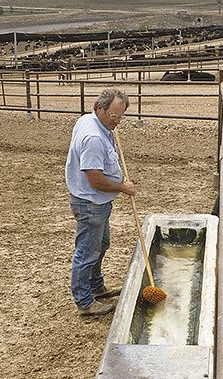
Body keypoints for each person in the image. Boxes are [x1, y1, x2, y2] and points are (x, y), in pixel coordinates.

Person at [65, 88, 135, 316]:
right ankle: (85, 302)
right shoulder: (94, 138)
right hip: (91, 202)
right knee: (87, 251)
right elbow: (95, 179)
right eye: (113, 116)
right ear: (99, 108)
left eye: (120, 117)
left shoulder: (91, 121)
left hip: (96, 202)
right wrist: (122, 187)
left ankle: (96, 287)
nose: (116, 122)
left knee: (101, 244)